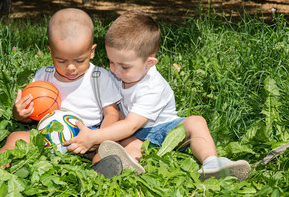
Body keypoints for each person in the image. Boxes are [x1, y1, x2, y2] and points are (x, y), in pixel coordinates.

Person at [64, 10, 251, 181]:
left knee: (196, 122)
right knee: (129, 145)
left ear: (150, 63)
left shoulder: (153, 86)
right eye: (111, 62)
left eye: (124, 66)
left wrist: (95, 136)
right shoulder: (113, 74)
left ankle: (211, 163)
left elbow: (131, 124)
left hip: (164, 129)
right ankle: (124, 164)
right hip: (133, 134)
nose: (115, 70)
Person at [0, 8, 122, 171]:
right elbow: (32, 115)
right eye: (61, 60)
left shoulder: (100, 77)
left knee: (108, 150)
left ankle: (99, 175)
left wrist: (97, 138)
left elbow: (112, 113)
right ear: (51, 52)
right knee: (15, 137)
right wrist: (20, 114)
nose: (71, 67)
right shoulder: (44, 75)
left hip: (87, 136)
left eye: (79, 60)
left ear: (92, 52)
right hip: (47, 135)